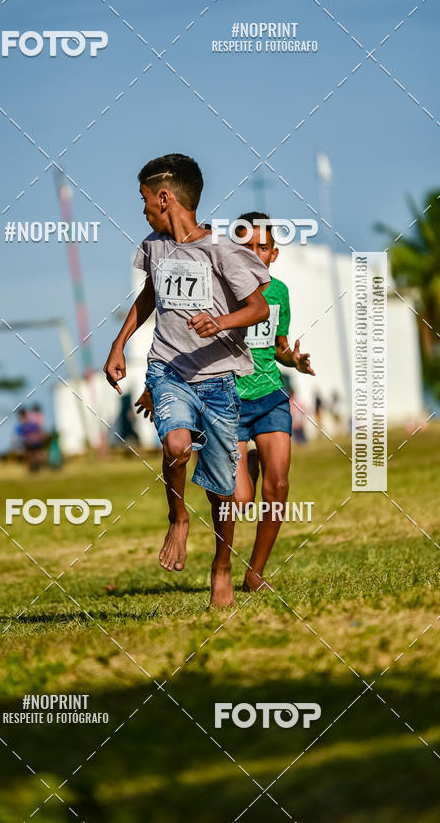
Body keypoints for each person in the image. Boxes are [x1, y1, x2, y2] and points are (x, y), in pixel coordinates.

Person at [104, 154, 270, 606]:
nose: (142, 209)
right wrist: (118, 345)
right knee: (176, 445)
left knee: (222, 487)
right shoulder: (154, 246)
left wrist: (220, 323)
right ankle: (178, 518)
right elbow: (150, 297)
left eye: (144, 199)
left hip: (218, 380)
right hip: (169, 367)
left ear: (165, 197)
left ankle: (222, 564)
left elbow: (259, 308)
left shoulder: (221, 250)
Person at [232, 213, 315, 592]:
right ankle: (222, 567)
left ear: (274, 254)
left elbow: (279, 346)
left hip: (270, 396)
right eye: (245, 247)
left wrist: (293, 360)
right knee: (238, 499)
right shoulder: (221, 289)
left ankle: (255, 573)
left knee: (278, 486)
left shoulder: (279, 292)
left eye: (261, 247)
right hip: (228, 400)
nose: (254, 254)